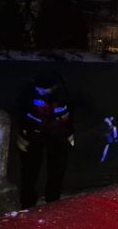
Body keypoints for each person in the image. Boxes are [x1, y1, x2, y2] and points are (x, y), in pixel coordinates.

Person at [16, 71, 75, 208]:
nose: (40, 91)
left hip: (59, 138)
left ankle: (53, 203)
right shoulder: (27, 94)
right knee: (29, 173)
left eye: (44, 89)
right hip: (33, 138)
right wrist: (25, 136)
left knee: (57, 172)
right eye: (38, 88)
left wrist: (68, 136)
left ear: (54, 87)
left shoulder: (65, 95)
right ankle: (27, 204)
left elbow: (73, 116)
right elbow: (20, 113)